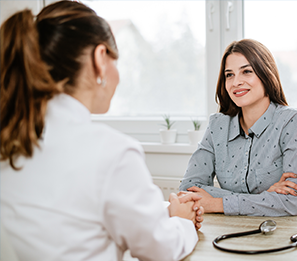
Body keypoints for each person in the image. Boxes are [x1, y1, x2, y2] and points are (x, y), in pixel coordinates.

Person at [0, 1, 203, 260]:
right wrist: (182, 222)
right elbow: (161, 250)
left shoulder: (12, 139)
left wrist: (163, 212)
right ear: (99, 58)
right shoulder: (111, 152)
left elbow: (71, 214)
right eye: (115, 61)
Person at [179, 39, 297, 217]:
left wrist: (217, 203)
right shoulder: (217, 125)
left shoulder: (292, 122)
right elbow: (188, 189)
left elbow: (294, 201)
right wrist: (265, 198)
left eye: (246, 71)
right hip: (229, 231)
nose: (236, 82)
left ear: (266, 73)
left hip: (278, 234)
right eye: (229, 75)